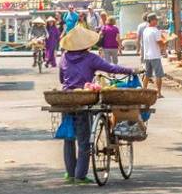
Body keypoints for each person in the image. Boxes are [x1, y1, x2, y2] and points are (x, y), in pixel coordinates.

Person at [57, 25, 138, 184]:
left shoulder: (64, 57)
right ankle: (80, 175)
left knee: (68, 138)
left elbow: (61, 79)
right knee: (84, 139)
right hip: (84, 99)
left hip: (66, 99)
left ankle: (70, 173)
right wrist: (131, 71)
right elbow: (111, 68)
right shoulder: (90, 58)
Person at [139, 13, 167, 96]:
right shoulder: (155, 30)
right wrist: (165, 44)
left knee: (147, 74)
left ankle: (143, 90)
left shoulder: (145, 30)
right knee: (158, 75)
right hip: (155, 55)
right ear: (152, 21)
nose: (157, 21)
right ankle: (159, 93)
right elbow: (159, 43)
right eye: (156, 19)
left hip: (147, 56)